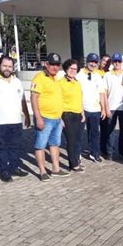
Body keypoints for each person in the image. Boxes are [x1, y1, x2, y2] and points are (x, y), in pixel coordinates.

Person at [0, 55, 31, 182]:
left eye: (9, 66)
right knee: (2, 148)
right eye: (5, 66)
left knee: (15, 146)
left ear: (13, 68)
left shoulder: (17, 81)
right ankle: (4, 170)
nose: (7, 69)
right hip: (1, 122)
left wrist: (26, 114)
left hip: (16, 121)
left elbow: (23, 100)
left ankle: (14, 167)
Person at [30, 53, 70, 181]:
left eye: (57, 65)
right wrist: (38, 118)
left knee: (54, 144)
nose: (54, 67)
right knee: (40, 145)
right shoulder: (39, 77)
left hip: (57, 119)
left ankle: (55, 169)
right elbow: (34, 98)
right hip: (44, 118)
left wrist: (60, 119)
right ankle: (42, 171)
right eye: (52, 64)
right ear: (46, 64)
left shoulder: (56, 79)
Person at [76, 53, 107, 163]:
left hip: (95, 109)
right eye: (91, 62)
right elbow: (77, 93)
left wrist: (103, 108)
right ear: (87, 62)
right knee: (79, 133)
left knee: (95, 133)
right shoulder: (79, 75)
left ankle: (95, 153)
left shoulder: (98, 76)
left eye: (95, 62)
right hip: (83, 108)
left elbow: (102, 93)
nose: (93, 64)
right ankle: (77, 153)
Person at [59, 59, 85, 173]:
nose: (73, 71)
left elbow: (80, 99)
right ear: (66, 68)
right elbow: (58, 101)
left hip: (78, 114)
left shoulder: (77, 82)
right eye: (71, 68)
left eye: (75, 69)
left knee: (77, 139)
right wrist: (60, 118)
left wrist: (82, 113)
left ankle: (75, 161)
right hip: (67, 115)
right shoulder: (60, 83)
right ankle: (73, 164)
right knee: (71, 140)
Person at [102, 53, 123, 160]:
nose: (117, 63)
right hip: (111, 107)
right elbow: (103, 92)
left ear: (122, 62)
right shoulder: (107, 75)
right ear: (112, 63)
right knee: (110, 131)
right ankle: (110, 152)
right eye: (115, 61)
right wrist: (106, 107)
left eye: (119, 61)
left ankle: (122, 151)